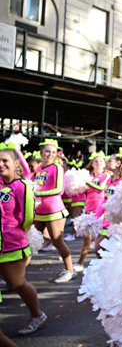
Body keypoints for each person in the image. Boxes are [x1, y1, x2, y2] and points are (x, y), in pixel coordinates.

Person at [0, 142, 47, 335]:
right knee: (9, 282)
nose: (1, 164)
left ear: (16, 163)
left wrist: (13, 232)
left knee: (16, 283)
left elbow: (27, 219)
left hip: (12, 242)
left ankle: (37, 315)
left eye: (5, 160)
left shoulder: (23, 186)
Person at [33, 139, 76, 282]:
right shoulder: (39, 168)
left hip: (54, 211)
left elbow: (59, 190)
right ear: (41, 152)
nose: (50, 154)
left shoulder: (57, 167)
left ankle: (70, 271)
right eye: (47, 151)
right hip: (39, 211)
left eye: (53, 152)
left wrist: (37, 193)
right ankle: (15, 277)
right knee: (30, 240)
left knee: (58, 242)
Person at [75, 151, 109, 272]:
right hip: (88, 210)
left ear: (104, 164)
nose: (98, 163)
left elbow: (100, 188)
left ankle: (105, 265)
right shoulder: (89, 176)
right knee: (86, 240)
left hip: (101, 212)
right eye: (96, 161)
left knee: (99, 244)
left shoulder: (106, 176)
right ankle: (80, 263)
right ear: (92, 164)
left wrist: (86, 182)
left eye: (101, 161)